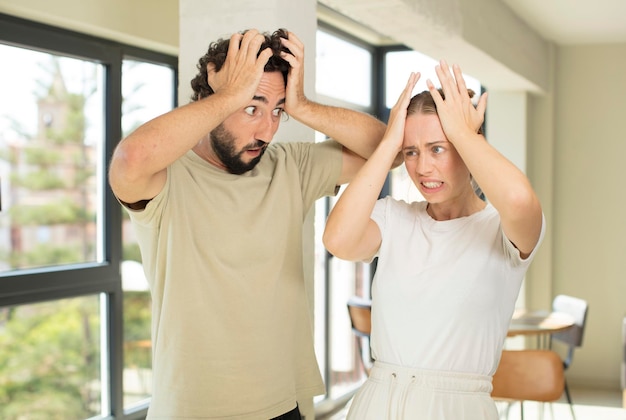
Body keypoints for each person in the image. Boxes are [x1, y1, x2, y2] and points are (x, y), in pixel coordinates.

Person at [108, 28, 388, 419]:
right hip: (190, 410)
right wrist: (227, 96)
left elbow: (386, 150)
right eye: (251, 107)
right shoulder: (167, 177)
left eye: (277, 111)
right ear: (213, 96)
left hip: (282, 405)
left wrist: (303, 105)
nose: (268, 130)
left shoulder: (290, 166)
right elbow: (129, 162)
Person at [323, 61, 545, 419]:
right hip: (378, 402)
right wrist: (388, 145)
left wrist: (466, 136)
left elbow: (519, 200)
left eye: (438, 148)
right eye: (411, 151)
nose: (423, 168)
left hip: (457, 407)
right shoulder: (394, 218)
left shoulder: (500, 230)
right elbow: (338, 240)